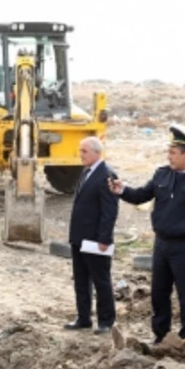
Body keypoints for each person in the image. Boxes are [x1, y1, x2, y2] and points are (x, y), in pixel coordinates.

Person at [110, 126, 185, 344]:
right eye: (169, 151)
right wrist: (122, 190)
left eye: (173, 152)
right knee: (159, 293)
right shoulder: (162, 174)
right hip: (161, 244)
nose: (169, 156)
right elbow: (141, 195)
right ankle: (160, 334)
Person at [64, 137, 119, 335]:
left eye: (84, 151)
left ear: (97, 152)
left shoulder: (106, 175)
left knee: (100, 280)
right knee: (80, 279)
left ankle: (106, 321)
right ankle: (83, 317)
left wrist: (104, 238)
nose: (80, 154)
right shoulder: (86, 172)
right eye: (80, 150)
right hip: (79, 237)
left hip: (96, 240)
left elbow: (109, 211)